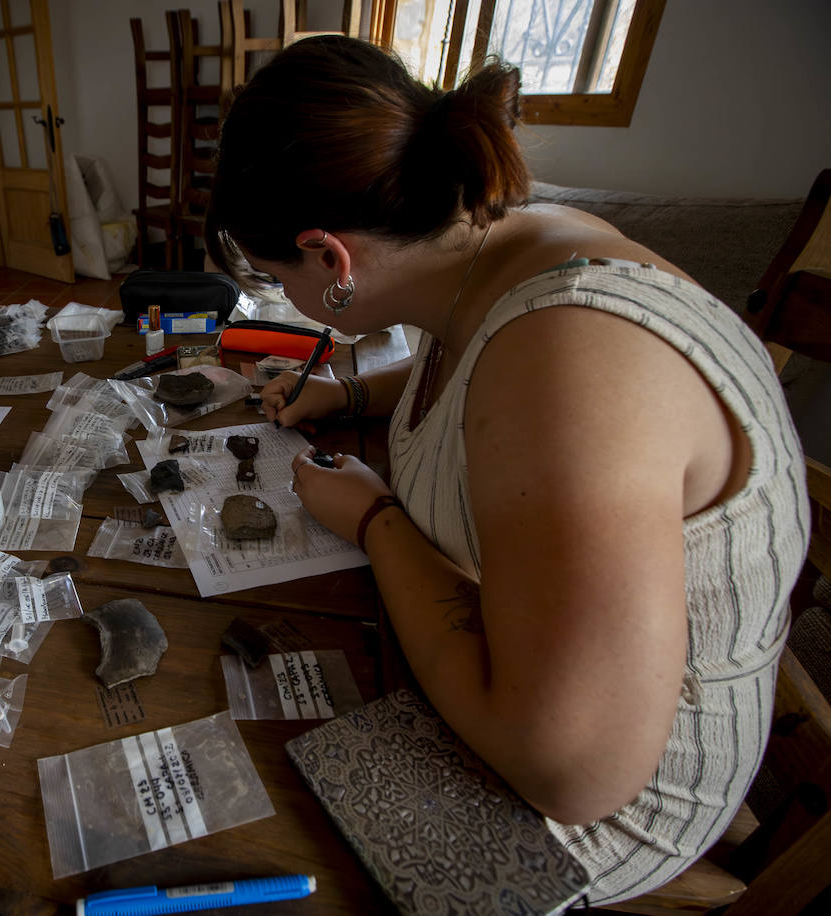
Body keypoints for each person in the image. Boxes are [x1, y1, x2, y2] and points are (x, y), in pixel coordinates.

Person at [204, 37, 810, 904]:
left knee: (248, 831)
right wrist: (348, 396)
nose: (285, 298)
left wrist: (377, 522)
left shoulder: (574, 359)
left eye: (275, 277)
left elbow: (569, 771)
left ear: (331, 259)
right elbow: (472, 377)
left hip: (605, 800)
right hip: (549, 669)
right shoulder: (502, 249)